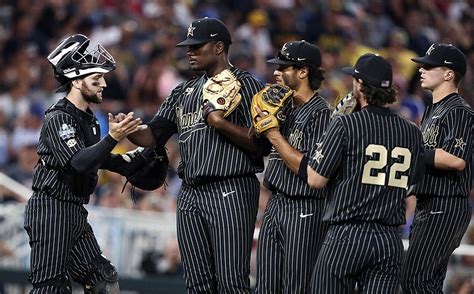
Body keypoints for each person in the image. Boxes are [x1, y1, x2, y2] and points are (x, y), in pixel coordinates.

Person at [123, 18, 266, 293]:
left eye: (197, 46)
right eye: (188, 47)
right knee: (197, 284)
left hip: (232, 187)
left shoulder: (249, 87)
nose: (189, 52)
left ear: (219, 47)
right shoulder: (182, 91)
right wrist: (127, 130)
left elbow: (262, 145)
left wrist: (221, 123)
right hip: (190, 192)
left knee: (231, 282)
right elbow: (153, 135)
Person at [24, 34, 144, 293]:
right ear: (77, 82)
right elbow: (78, 162)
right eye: (96, 79)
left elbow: (94, 158)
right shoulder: (59, 117)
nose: (103, 84)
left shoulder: (89, 119)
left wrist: (129, 162)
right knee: (51, 287)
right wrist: (113, 137)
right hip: (51, 209)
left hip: (75, 210)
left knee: (103, 278)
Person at [305, 53, 424, 293]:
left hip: (346, 234)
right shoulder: (412, 131)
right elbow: (412, 185)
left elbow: (315, 179)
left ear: (359, 84)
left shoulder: (345, 124)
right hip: (388, 239)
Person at [253, 41, 330, 293]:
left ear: (303, 72)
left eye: (283, 67)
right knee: (265, 286)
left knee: (295, 287)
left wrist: (273, 133)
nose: (276, 72)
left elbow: (310, 168)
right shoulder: (284, 106)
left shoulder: (321, 114)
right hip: (276, 203)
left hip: (305, 207)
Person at [401, 43, 473, 293]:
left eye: (430, 66)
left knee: (415, 280)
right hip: (432, 203)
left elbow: (455, 158)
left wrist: (414, 150)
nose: (422, 70)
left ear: (449, 74)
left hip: (445, 203)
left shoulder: (458, 111)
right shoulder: (434, 109)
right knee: (425, 282)